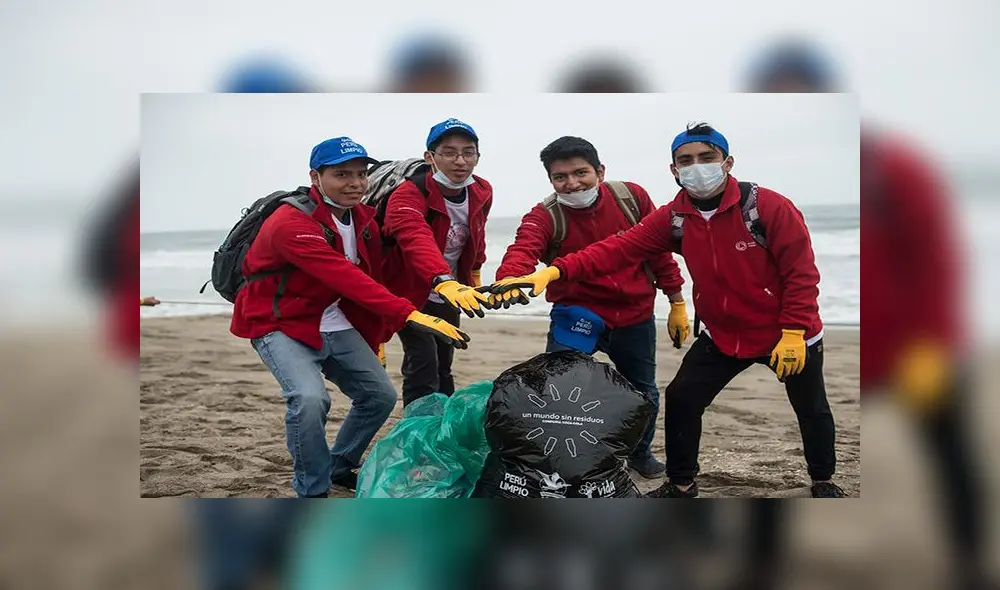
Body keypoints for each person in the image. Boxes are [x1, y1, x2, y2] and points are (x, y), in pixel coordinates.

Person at [748, 39, 995, 590]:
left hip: (913, 350)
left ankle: (970, 562)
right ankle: (759, 563)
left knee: (951, 455)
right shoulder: (775, 181)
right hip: (820, 341)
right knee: (795, 440)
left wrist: (933, 344)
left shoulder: (894, 167)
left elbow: (936, 258)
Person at [490, 123, 846, 499]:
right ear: (674, 170)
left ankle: (822, 480)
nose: (697, 167)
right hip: (723, 335)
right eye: (685, 161)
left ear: (727, 162)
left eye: (706, 158)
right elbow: (619, 247)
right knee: (681, 399)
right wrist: (554, 271)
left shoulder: (767, 206)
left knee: (811, 408)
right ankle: (680, 484)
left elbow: (802, 273)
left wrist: (794, 331)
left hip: (786, 334)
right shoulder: (674, 216)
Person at [230, 136, 470, 498]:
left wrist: (445, 283)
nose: (355, 184)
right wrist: (412, 315)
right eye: (342, 175)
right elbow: (346, 277)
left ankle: (339, 466)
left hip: (332, 319)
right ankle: (312, 489)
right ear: (316, 176)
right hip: (278, 321)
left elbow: (389, 263)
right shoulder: (289, 222)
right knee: (310, 400)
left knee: (379, 396)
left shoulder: (364, 219)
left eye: (361, 174)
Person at [492, 136, 687, 479]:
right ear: (550, 180)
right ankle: (559, 456)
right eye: (560, 177)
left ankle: (639, 454)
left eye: (580, 172)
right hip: (576, 315)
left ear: (600, 170)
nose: (572, 183)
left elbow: (659, 252)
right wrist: (509, 278)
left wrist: (676, 301)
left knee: (642, 392)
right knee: (555, 391)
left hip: (633, 314)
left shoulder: (631, 197)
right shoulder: (545, 214)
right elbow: (522, 249)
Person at [381, 118, 492, 408]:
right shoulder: (406, 195)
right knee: (423, 361)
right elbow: (415, 238)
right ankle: (418, 429)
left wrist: (475, 273)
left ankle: (443, 424)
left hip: (452, 291)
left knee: (444, 360)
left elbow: (476, 235)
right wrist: (443, 280)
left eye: (468, 152)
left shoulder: (482, 190)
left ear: (477, 157)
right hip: (409, 291)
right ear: (430, 157)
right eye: (449, 152)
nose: (460, 161)